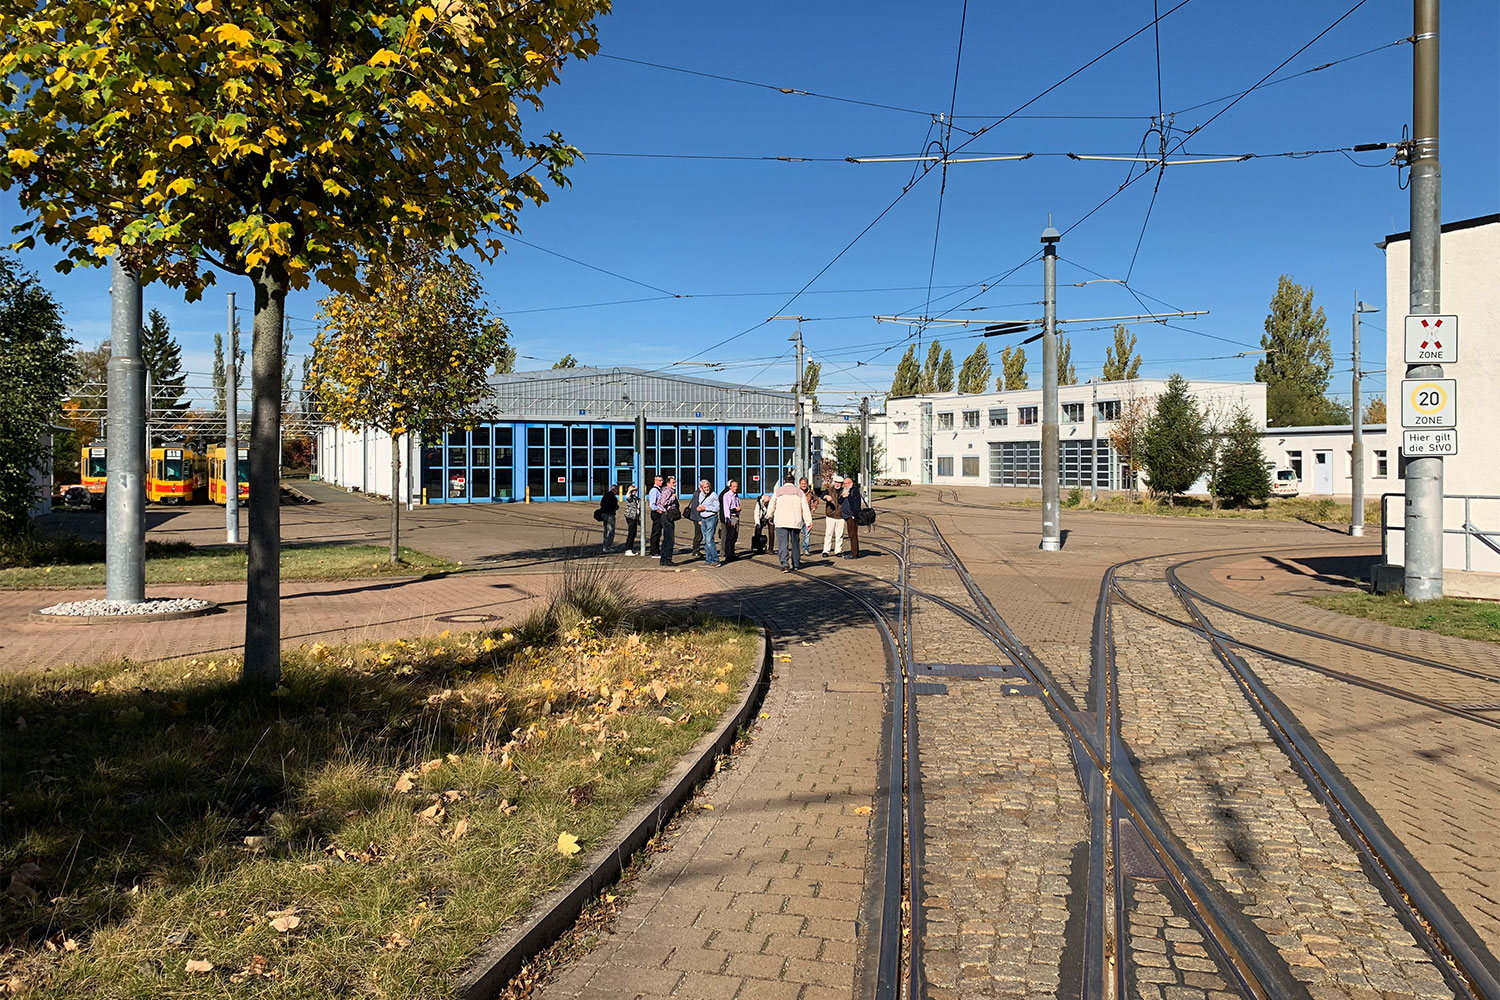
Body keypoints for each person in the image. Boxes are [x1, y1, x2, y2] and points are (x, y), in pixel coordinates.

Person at [766, 474, 813, 572]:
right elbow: (805, 508)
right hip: (795, 522)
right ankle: (796, 563)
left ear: (784, 481)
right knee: (795, 543)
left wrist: (769, 516)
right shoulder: (799, 492)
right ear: (794, 482)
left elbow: (771, 505)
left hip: (781, 521)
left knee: (783, 544)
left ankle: (785, 564)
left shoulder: (778, 492)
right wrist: (808, 522)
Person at [693, 478, 721, 567]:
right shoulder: (700, 495)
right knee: (705, 540)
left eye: (708, 486)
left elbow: (717, 508)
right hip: (703, 518)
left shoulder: (713, 495)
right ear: (701, 488)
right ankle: (708, 560)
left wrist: (706, 508)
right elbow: (700, 505)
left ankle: (715, 560)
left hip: (711, 518)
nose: (707, 488)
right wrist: (699, 509)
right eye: (705, 487)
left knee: (709, 540)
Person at [655, 476, 679, 566]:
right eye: (673, 482)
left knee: (667, 538)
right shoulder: (667, 491)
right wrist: (673, 498)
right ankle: (667, 559)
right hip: (666, 516)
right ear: (668, 483)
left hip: (667, 516)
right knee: (669, 539)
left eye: (675, 482)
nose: (675, 484)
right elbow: (663, 503)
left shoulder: (668, 490)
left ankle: (664, 559)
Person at [821, 476, 846, 556]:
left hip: (841, 516)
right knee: (828, 534)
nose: (837, 484)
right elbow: (822, 495)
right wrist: (826, 497)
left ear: (842, 484)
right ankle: (826, 550)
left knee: (839, 535)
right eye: (836, 482)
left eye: (839, 483)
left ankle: (838, 551)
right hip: (830, 515)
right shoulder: (829, 490)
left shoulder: (844, 491)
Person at [841, 474, 863, 559]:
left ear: (850, 483)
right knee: (851, 534)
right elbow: (840, 501)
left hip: (852, 516)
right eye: (844, 483)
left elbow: (856, 503)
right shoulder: (845, 490)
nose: (844, 485)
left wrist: (854, 514)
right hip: (847, 515)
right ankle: (855, 551)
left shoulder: (854, 490)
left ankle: (854, 554)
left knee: (853, 535)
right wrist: (843, 496)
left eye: (845, 483)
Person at [720, 480, 741, 563]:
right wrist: (728, 519)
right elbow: (726, 508)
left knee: (735, 536)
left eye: (737, 486)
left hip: (736, 517)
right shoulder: (727, 495)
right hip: (731, 517)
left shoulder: (736, 496)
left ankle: (732, 553)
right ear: (730, 487)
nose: (736, 488)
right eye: (734, 486)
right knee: (729, 536)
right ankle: (727, 554)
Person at [646, 475, 664, 557]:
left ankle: (656, 549)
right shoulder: (654, 490)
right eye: (660, 480)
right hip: (656, 513)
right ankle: (654, 551)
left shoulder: (659, 490)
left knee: (658, 532)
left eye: (662, 480)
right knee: (656, 532)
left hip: (659, 512)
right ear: (655, 481)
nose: (661, 482)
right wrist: (658, 510)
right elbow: (652, 504)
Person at [622, 484, 642, 555]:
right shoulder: (630, 498)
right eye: (633, 491)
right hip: (630, 517)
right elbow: (627, 497)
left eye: (635, 490)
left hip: (635, 517)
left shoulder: (637, 499)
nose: (635, 492)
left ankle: (630, 548)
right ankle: (628, 549)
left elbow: (639, 508)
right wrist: (630, 490)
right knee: (631, 533)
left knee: (634, 533)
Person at [599, 484, 619, 552]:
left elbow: (601, 504)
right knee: (610, 531)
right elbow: (614, 506)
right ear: (614, 490)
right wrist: (616, 507)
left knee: (606, 530)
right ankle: (608, 547)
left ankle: (605, 546)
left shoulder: (605, 495)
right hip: (610, 514)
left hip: (603, 514)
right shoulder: (613, 497)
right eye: (617, 490)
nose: (617, 491)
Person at [798, 477, 815, 555]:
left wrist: (813, 508)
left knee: (807, 533)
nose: (804, 485)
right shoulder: (796, 492)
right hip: (798, 516)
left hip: (807, 516)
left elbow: (816, 500)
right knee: (796, 534)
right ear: (799, 484)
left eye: (805, 483)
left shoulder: (810, 493)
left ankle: (806, 549)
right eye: (802, 484)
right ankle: (796, 549)